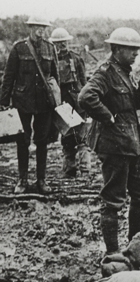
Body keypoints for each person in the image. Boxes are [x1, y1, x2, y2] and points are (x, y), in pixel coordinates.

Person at [78, 28, 140, 255]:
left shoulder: (125, 71)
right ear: (117, 49)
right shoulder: (105, 73)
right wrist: (107, 116)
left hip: (130, 143)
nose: (135, 54)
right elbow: (85, 97)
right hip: (114, 145)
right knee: (113, 200)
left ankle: (134, 244)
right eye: (131, 50)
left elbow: (134, 105)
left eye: (136, 50)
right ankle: (112, 253)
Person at [0, 16, 59, 194]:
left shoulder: (50, 48)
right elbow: (9, 76)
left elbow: (55, 77)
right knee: (22, 140)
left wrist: (58, 99)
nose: (41, 31)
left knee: (42, 141)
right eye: (37, 27)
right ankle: (22, 180)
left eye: (43, 28)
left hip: (44, 103)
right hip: (23, 102)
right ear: (30, 28)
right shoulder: (19, 48)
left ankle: (41, 180)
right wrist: (3, 102)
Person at [49, 27, 91, 177]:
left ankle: (85, 169)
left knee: (82, 137)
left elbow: (84, 82)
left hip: (77, 103)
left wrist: (85, 101)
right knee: (66, 138)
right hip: (61, 104)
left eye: (64, 43)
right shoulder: (49, 62)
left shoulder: (76, 58)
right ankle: (69, 169)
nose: (62, 46)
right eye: (58, 44)